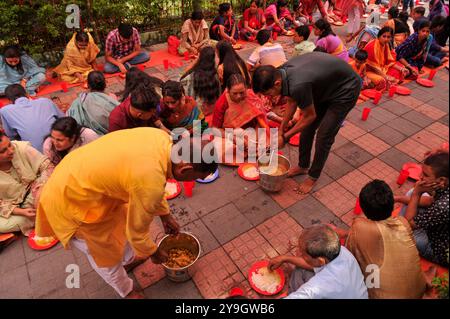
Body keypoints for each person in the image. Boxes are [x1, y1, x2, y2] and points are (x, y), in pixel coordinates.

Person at [35, 128, 218, 298]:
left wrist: (165, 215)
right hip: (70, 202)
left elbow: (153, 185)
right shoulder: (149, 179)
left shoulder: (161, 138)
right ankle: (126, 291)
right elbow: (137, 233)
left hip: (84, 181)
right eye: (195, 178)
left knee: (120, 225)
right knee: (104, 255)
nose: (192, 181)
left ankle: (127, 259)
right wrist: (153, 252)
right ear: (185, 169)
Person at [252, 53, 361, 194]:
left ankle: (313, 176)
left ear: (277, 83)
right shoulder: (282, 72)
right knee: (307, 130)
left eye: (268, 93)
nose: (269, 97)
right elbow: (292, 100)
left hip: (346, 89)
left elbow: (309, 116)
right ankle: (303, 166)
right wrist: (281, 130)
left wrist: (285, 137)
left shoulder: (298, 84)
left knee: (324, 136)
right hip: (325, 88)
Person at [332, 180, 427, 299]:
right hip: (419, 292)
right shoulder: (403, 222)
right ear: (392, 204)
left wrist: (341, 234)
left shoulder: (359, 226)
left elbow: (350, 258)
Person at [268, 225, 368, 299]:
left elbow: (307, 293)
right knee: (301, 269)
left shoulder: (320, 285)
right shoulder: (341, 251)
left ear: (320, 260)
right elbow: (313, 266)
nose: (298, 253)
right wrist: (286, 258)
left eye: (303, 254)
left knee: (299, 272)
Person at [396, 152, 449, 267]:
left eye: (425, 175)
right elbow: (430, 201)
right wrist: (399, 198)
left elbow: (408, 224)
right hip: (441, 228)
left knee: (402, 233)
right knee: (412, 195)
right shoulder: (444, 185)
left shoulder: (442, 207)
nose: (420, 177)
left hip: (439, 249)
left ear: (441, 180)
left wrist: (417, 193)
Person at [0, 131, 53, 236]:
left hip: (39, 190)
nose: (11, 151)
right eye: (3, 151)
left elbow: (48, 166)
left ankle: (40, 214)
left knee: (52, 190)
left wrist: (40, 188)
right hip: (16, 206)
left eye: (9, 145)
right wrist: (20, 211)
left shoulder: (22, 148)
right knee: (3, 225)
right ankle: (40, 215)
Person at [212, 74, 269, 165]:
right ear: (228, 90)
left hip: (251, 132)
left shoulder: (251, 96)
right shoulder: (222, 102)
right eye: (235, 93)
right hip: (230, 133)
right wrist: (235, 139)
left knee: (266, 140)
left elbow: (260, 121)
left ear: (246, 88)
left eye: (242, 92)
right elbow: (214, 129)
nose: (239, 96)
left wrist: (255, 141)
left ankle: (248, 151)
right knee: (219, 150)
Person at [0, 84, 64, 152]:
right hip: (61, 146)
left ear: (9, 101)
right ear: (27, 94)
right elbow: (63, 119)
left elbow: (11, 136)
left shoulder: (5, 111)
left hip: (37, 155)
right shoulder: (45, 101)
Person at [67, 71, 119, 135]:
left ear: (88, 85)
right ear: (105, 84)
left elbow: (70, 118)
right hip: (113, 134)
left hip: (89, 137)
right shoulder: (112, 97)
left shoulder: (79, 101)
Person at [180, 46, 221, 116]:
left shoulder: (190, 77)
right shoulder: (215, 76)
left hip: (196, 116)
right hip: (212, 113)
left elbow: (181, 79)